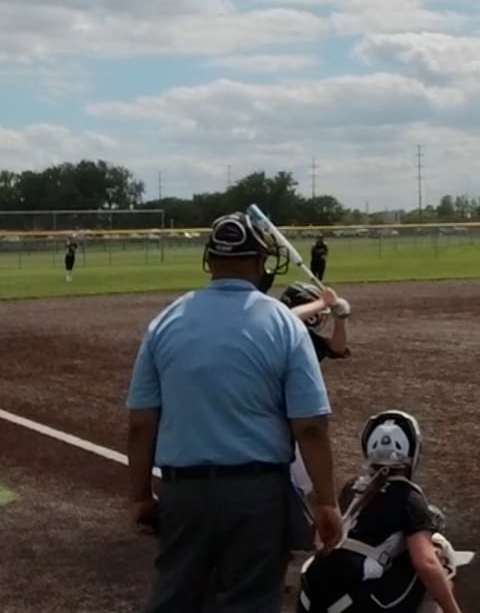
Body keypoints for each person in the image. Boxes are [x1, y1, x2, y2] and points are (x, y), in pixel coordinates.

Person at [125, 214, 344, 612]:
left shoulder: (165, 322)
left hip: (183, 493)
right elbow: (310, 427)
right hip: (256, 494)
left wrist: (140, 495)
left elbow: (141, 423)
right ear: (260, 262)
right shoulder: (284, 323)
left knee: (175, 600)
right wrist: (326, 501)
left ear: (209, 261)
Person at [299, 410, 466, 613]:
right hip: (354, 605)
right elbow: (426, 563)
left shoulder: (352, 488)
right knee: (438, 549)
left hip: (312, 600)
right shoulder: (408, 497)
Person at [278, 280, 354, 608]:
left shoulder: (305, 336)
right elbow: (288, 316)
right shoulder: (281, 330)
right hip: (281, 425)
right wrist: (323, 302)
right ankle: (282, 558)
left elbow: (337, 348)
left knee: (299, 489)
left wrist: (341, 319)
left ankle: (294, 553)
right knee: (290, 491)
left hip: (296, 424)